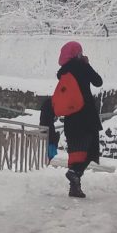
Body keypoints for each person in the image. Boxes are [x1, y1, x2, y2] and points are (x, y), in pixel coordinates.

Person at [49, 40, 103, 198]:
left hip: (71, 117)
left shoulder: (63, 72)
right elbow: (98, 81)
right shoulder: (82, 67)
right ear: (76, 54)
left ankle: (74, 187)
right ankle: (75, 172)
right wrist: (87, 64)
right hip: (85, 115)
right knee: (91, 148)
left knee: (75, 151)